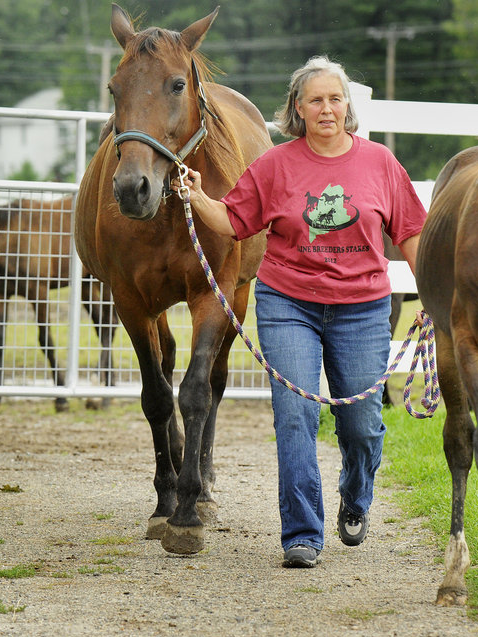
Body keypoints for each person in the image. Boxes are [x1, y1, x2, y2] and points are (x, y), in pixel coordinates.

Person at [174, 55, 427, 568]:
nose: (327, 108)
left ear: (347, 107)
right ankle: (302, 533)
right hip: (289, 305)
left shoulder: (381, 163)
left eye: (335, 99)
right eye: (316, 99)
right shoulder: (274, 164)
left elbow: (410, 234)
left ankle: (355, 496)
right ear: (298, 107)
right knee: (295, 417)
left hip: (362, 309)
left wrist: (437, 299)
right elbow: (233, 219)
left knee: (361, 424)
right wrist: (199, 198)